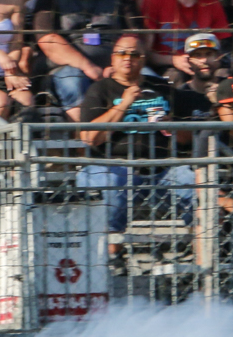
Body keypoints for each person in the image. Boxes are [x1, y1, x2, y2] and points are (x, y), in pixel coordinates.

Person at [71, 30, 204, 231]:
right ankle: (110, 253)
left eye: (134, 54)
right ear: (113, 58)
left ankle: (204, 254)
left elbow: (187, 139)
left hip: (162, 170)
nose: (128, 58)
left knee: (199, 192)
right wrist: (123, 105)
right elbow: (89, 138)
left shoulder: (161, 87)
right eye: (122, 53)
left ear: (143, 60)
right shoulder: (100, 90)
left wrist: (172, 126)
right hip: (114, 166)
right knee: (111, 186)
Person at [30, 0, 138, 109]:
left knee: (151, 81)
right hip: (68, 69)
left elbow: (136, 36)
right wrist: (89, 67)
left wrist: (118, 65)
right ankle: (83, 133)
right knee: (73, 82)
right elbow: (48, 41)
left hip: (119, 67)